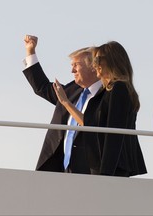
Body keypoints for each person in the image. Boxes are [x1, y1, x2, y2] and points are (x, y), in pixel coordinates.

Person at [53, 41, 147, 177]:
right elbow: (91, 124)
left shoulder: (119, 88)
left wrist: (106, 173)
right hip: (102, 166)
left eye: (97, 60)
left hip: (113, 168)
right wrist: (66, 102)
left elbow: (114, 133)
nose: (94, 64)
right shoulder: (108, 91)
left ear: (110, 62)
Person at [22, 35, 102, 173]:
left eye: (76, 65)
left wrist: (66, 103)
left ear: (94, 67)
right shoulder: (72, 90)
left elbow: (97, 127)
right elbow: (42, 87)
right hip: (59, 169)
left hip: (91, 172)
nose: (72, 71)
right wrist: (30, 52)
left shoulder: (108, 95)